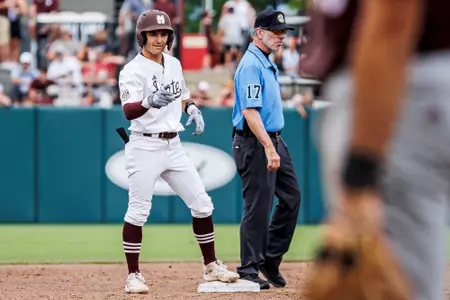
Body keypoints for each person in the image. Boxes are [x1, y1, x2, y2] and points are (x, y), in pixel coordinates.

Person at [300, 0, 450, 299]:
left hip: (396, 86)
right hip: (401, 83)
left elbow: (392, 19)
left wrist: (362, 171)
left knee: (393, 280)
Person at [117, 10, 239, 294]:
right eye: (153, 34)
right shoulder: (132, 70)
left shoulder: (173, 64)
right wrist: (149, 101)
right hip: (144, 144)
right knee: (138, 211)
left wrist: (192, 107)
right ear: (142, 36)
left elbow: (182, 94)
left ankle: (211, 266)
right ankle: (133, 274)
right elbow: (128, 110)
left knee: (202, 203)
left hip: (173, 144)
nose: (159, 39)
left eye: (163, 34)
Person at [231, 9, 301, 290]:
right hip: (255, 141)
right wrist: (269, 148)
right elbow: (249, 111)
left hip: (273, 139)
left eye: (284, 32)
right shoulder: (251, 64)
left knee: (291, 197)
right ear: (259, 32)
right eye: (276, 32)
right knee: (257, 207)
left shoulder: (266, 62)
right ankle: (249, 270)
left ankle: (269, 259)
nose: (282, 36)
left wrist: (274, 146)